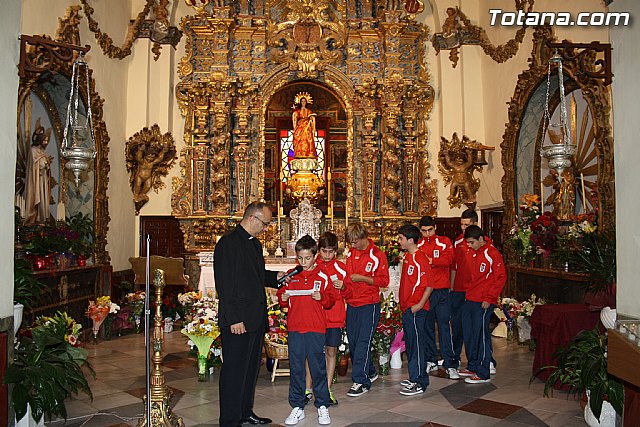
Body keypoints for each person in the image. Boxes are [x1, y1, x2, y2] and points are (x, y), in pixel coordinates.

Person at [214, 201, 285, 427]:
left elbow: (256, 275)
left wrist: (278, 278)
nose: (265, 229)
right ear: (252, 218)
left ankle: (245, 412)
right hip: (238, 320)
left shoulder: (253, 244)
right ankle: (230, 420)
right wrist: (234, 318)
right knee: (234, 371)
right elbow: (224, 284)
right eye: (264, 224)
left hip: (254, 318)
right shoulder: (228, 243)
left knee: (250, 369)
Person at [277, 235, 336, 426]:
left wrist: (322, 298)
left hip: (315, 328)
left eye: (307, 258)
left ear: (315, 256)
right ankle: (297, 406)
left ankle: (322, 405)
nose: (304, 262)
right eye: (300, 258)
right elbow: (282, 301)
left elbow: (330, 301)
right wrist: (284, 297)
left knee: (318, 367)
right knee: (296, 368)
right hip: (295, 328)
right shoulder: (291, 276)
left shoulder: (323, 276)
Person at [333, 223, 389, 397]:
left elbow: (384, 281)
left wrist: (362, 279)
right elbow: (348, 279)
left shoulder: (377, 255)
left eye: (355, 242)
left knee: (363, 342)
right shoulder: (351, 254)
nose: (353, 245)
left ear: (364, 237)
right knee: (355, 342)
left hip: (369, 304)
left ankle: (361, 381)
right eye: (350, 242)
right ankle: (370, 371)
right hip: (352, 303)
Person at [458, 225, 507, 384]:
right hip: (470, 298)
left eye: (472, 242)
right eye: (468, 243)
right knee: (469, 334)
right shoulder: (474, 253)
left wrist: (489, 297)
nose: (470, 246)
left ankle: (483, 371)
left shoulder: (492, 253)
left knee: (481, 336)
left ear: (481, 239)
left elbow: (500, 278)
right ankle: (472, 365)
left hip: (483, 301)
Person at [304, 232, 347, 406]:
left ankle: (326, 390)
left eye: (331, 252)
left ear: (336, 251)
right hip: (315, 317)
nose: (327, 255)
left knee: (331, 352)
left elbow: (350, 292)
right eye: (324, 251)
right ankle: (308, 389)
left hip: (334, 318)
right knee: (311, 353)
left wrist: (343, 287)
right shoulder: (312, 266)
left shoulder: (342, 269)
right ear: (318, 250)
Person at [417, 216, 459, 379]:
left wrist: (431, 260)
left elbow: (449, 259)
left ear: (435, 228)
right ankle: (430, 359)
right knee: (427, 326)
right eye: (424, 231)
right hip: (426, 292)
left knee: (443, 326)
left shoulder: (444, 241)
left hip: (441, 291)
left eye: (430, 230)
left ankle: (450, 363)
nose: (427, 234)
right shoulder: (418, 244)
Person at [397, 224, 433, 396]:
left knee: (417, 344)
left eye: (401, 238)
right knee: (411, 344)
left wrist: (419, 304)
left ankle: (419, 381)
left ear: (410, 240)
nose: (399, 241)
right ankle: (414, 375)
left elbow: (429, 285)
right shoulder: (407, 257)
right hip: (407, 308)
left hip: (416, 309)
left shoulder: (421, 258)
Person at [449, 209, 477, 369]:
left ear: (474, 224)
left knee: (472, 327)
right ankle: (455, 357)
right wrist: (452, 287)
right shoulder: (458, 241)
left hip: (473, 291)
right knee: (457, 325)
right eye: (461, 224)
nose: (463, 228)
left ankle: (476, 360)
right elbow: (454, 266)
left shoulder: (483, 241)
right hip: (458, 290)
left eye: (467, 225)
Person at [24, 120, 53, 225]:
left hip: (43, 179)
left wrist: (47, 166)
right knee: (37, 197)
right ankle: (34, 218)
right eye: (44, 140)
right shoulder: (33, 150)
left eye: (46, 141)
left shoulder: (42, 152)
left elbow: (44, 163)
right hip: (36, 178)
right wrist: (43, 165)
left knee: (43, 198)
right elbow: (35, 164)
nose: (46, 143)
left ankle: (42, 217)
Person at [292, 94, 317, 159]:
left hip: (307, 126)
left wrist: (312, 120)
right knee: (299, 139)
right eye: (302, 101)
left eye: (304, 101)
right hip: (300, 126)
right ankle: (299, 152)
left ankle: (308, 152)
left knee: (307, 139)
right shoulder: (298, 111)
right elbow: (295, 118)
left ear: (306, 102)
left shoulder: (308, 111)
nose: (303, 103)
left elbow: (312, 118)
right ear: (300, 102)